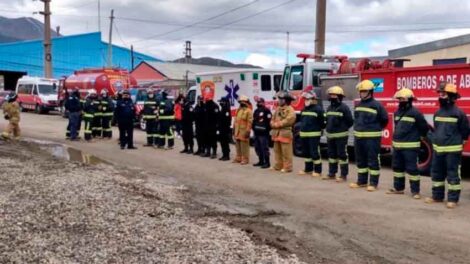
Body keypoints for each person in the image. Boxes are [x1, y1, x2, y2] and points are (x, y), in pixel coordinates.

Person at [425, 83, 469, 209]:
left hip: (452, 150)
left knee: (453, 174)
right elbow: (437, 129)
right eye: (439, 94)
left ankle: (453, 199)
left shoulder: (459, 113)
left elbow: (465, 131)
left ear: (451, 96)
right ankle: (437, 197)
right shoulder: (438, 112)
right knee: (437, 174)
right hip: (438, 149)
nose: (440, 96)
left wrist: (459, 144)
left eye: (443, 94)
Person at [386, 88, 429, 199]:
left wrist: (420, 137)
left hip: (411, 147)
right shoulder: (397, 112)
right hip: (398, 146)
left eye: (402, 99)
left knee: (412, 169)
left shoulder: (416, 113)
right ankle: (398, 188)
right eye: (399, 99)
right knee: (397, 168)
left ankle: (415, 192)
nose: (400, 101)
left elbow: (424, 127)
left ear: (409, 100)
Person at [350, 80, 388, 192]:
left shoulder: (377, 105)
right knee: (360, 160)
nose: (361, 93)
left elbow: (384, 119)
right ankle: (361, 181)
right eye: (361, 91)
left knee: (373, 160)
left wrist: (375, 129)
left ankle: (373, 183)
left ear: (370, 92)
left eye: (364, 91)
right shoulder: (359, 105)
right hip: (359, 138)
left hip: (372, 138)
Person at [325, 86, 353, 182]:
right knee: (331, 155)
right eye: (331, 95)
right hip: (330, 136)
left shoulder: (344, 108)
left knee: (342, 155)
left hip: (341, 136)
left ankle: (343, 175)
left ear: (339, 96)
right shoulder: (329, 108)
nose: (332, 97)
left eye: (334, 95)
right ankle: (332, 173)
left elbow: (350, 121)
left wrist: (343, 129)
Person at [298, 91, 325, 177]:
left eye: (308, 99)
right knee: (306, 153)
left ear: (313, 99)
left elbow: (323, 123)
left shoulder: (318, 109)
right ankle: (308, 169)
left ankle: (318, 170)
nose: (306, 100)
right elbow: (302, 121)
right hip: (304, 134)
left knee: (314, 152)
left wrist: (319, 129)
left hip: (314, 135)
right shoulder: (303, 109)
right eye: (305, 99)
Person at [270, 91, 296, 173]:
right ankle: (278, 165)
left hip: (285, 134)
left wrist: (277, 124)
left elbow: (289, 120)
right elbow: (272, 119)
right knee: (277, 151)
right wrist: (272, 124)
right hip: (277, 134)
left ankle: (287, 167)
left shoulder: (290, 110)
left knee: (286, 152)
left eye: (282, 99)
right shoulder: (277, 109)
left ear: (286, 100)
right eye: (279, 99)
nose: (280, 101)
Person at [233, 95, 253, 165]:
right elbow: (235, 120)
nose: (240, 103)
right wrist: (233, 129)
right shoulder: (238, 110)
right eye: (240, 102)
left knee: (244, 146)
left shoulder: (249, 111)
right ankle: (238, 158)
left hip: (244, 131)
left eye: (242, 102)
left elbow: (249, 122)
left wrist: (248, 131)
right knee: (238, 145)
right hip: (238, 131)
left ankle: (245, 159)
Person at [252, 97, 272, 169]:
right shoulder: (256, 111)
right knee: (257, 148)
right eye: (258, 102)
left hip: (264, 134)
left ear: (263, 103)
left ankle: (267, 162)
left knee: (264, 148)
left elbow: (269, 122)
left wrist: (267, 130)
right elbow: (254, 121)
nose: (259, 103)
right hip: (256, 133)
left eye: (260, 102)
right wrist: (253, 128)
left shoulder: (267, 111)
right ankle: (261, 161)